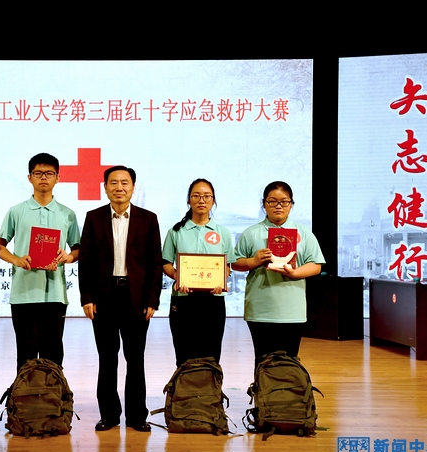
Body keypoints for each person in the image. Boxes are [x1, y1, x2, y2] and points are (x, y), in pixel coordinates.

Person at [79, 166, 162, 433]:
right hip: (104, 297)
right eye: (113, 182)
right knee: (107, 357)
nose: (119, 187)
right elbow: (86, 262)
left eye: (125, 183)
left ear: (133, 187)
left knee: (135, 358)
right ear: (105, 188)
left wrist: (152, 299)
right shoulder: (94, 218)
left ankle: (137, 415)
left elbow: (155, 263)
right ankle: (109, 415)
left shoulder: (148, 219)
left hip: (136, 298)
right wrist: (87, 297)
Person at [0, 153, 80, 371]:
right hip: (23, 294)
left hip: (55, 294)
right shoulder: (16, 211)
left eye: (49, 173)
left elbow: (78, 249)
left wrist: (68, 257)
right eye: (38, 173)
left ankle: (53, 391)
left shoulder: (67, 214)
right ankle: (25, 393)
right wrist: (16, 259)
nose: (43, 177)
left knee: (53, 354)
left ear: (57, 178)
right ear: (29, 177)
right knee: (26, 354)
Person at [232, 181, 325, 367]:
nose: (278, 206)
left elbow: (316, 265)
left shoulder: (303, 233)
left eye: (284, 201)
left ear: (291, 204)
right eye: (272, 201)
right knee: (262, 361)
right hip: (260, 309)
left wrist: (295, 273)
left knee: (289, 362)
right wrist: (254, 261)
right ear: (264, 204)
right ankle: (262, 387)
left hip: (292, 310)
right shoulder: (251, 233)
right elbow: (235, 263)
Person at [162, 179, 235, 367]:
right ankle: (184, 386)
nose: (201, 200)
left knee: (212, 356)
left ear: (213, 201)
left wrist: (221, 279)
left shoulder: (223, 233)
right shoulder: (176, 231)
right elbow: (166, 263)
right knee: (184, 356)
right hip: (183, 299)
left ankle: (210, 386)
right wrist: (179, 277)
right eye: (196, 196)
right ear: (189, 200)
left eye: (207, 196)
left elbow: (227, 266)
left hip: (213, 300)